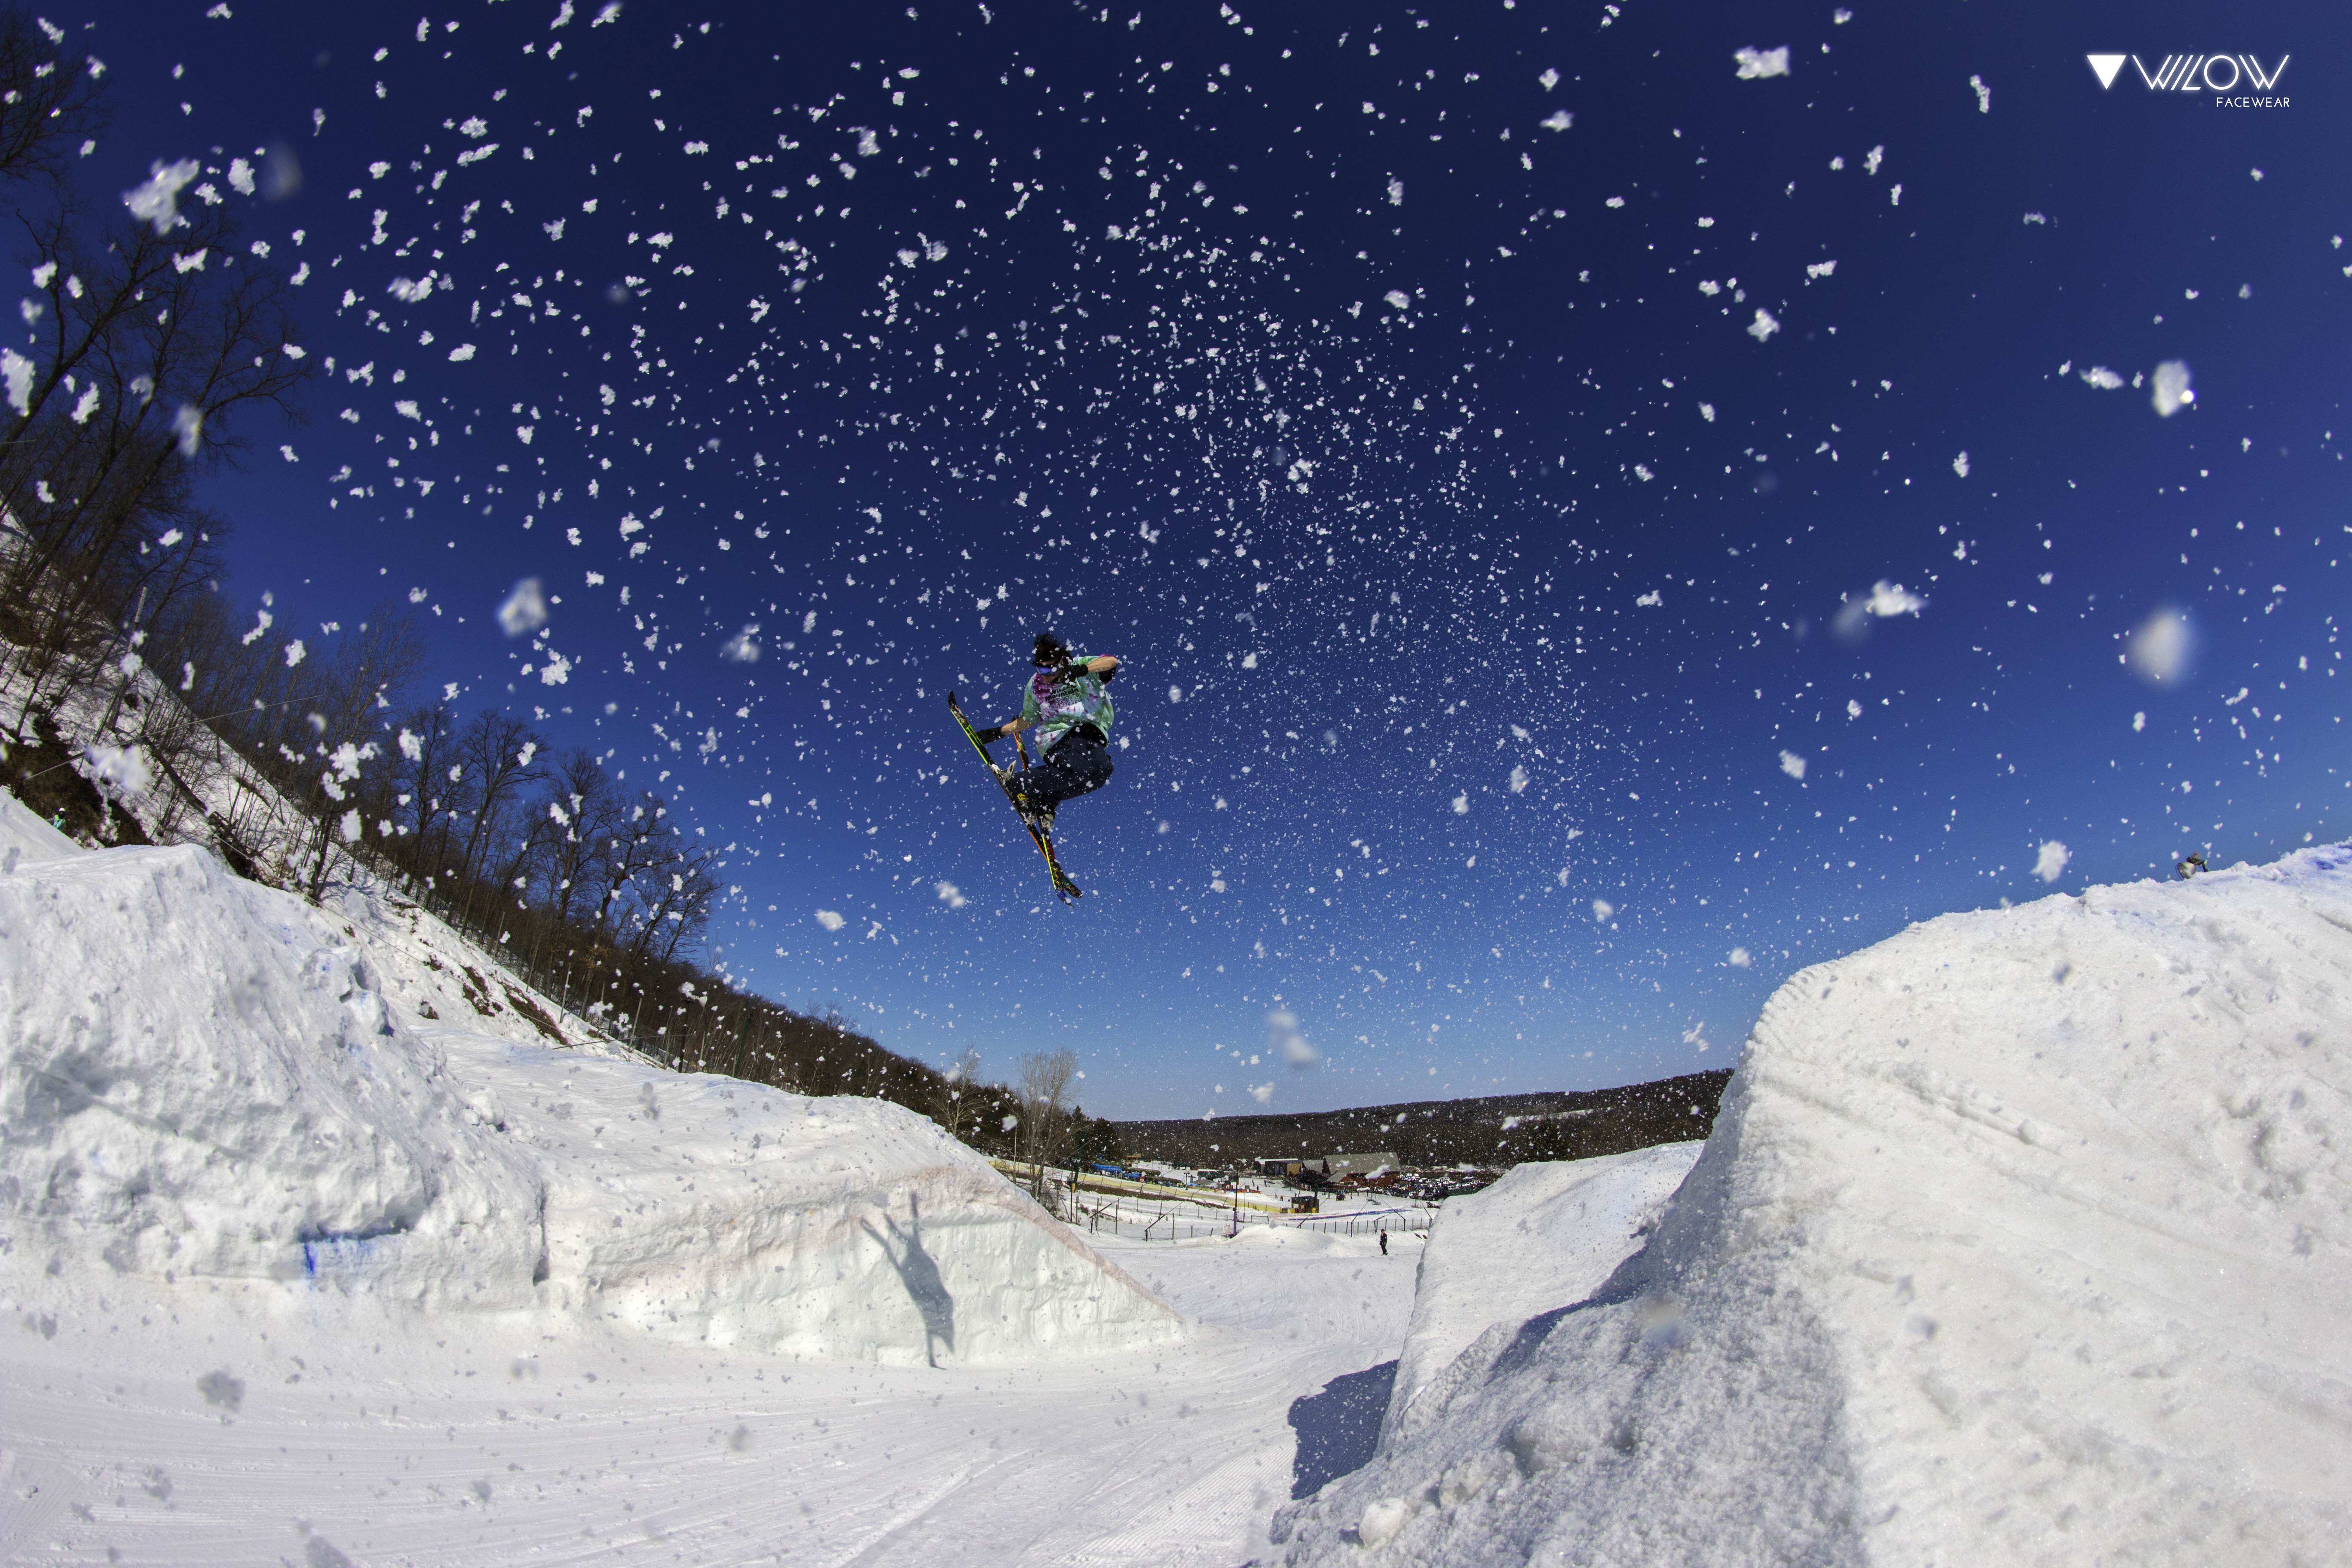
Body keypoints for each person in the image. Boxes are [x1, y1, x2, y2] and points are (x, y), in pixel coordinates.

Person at [995, 632, 1120, 831]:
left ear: (1061, 663)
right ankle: (1019, 784)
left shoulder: (1079, 667)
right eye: (1041, 668)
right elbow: (1028, 719)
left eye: (1051, 668)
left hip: (1091, 734)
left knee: (1102, 771)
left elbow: (1111, 661)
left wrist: (1082, 670)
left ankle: (1047, 800)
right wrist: (997, 732)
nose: (1046, 674)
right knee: (1080, 768)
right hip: (1057, 736)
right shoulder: (1036, 685)